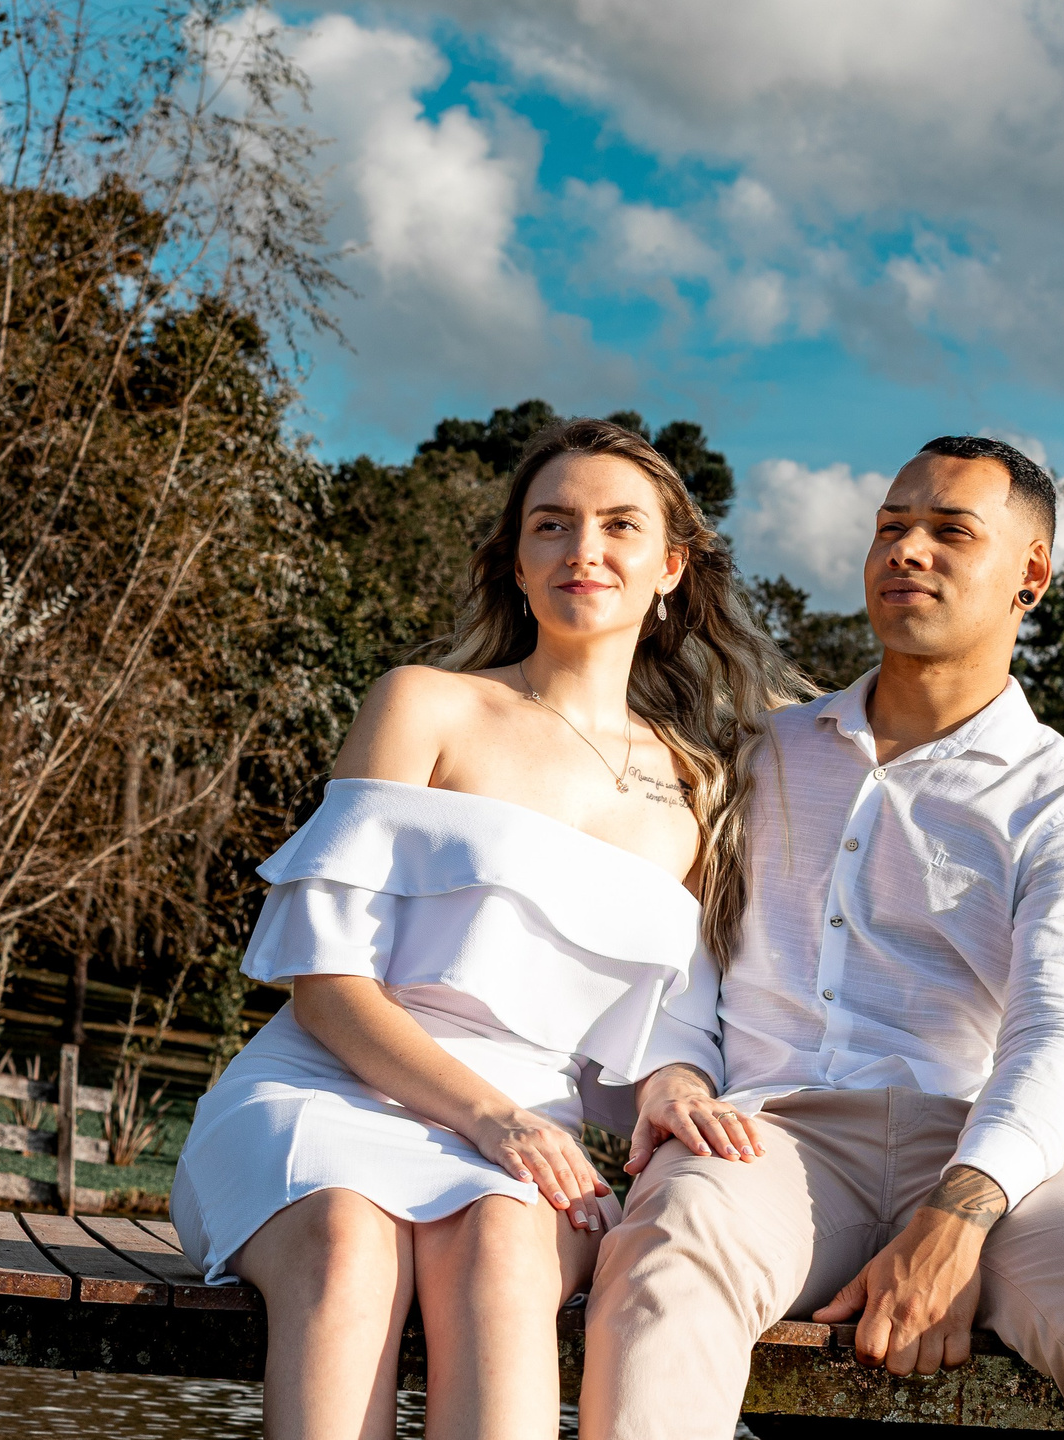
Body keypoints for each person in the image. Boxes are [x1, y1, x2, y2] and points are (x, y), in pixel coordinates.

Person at [582, 436, 1064, 1440]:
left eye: (948, 531)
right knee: (669, 1246)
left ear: (1030, 575)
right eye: (890, 528)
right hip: (770, 1137)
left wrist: (959, 1215)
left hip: (983, 1147)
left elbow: (1061, 1032)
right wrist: (672, 1066)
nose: (906, 550)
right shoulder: (762, 756)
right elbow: (686, 943)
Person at [170, 418, 805, 1440]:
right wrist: (489, 1117)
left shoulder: (699, 787)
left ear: (670, 568)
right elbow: (326, 986)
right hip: (323, 1092)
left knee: (507, 1248)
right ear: (517, 560)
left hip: (530, 1140)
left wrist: (676, 1086)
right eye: (550, 525)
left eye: (617, 526)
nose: (581, 550)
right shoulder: (424, 706)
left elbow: (663, 1033)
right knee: (346, 1246)